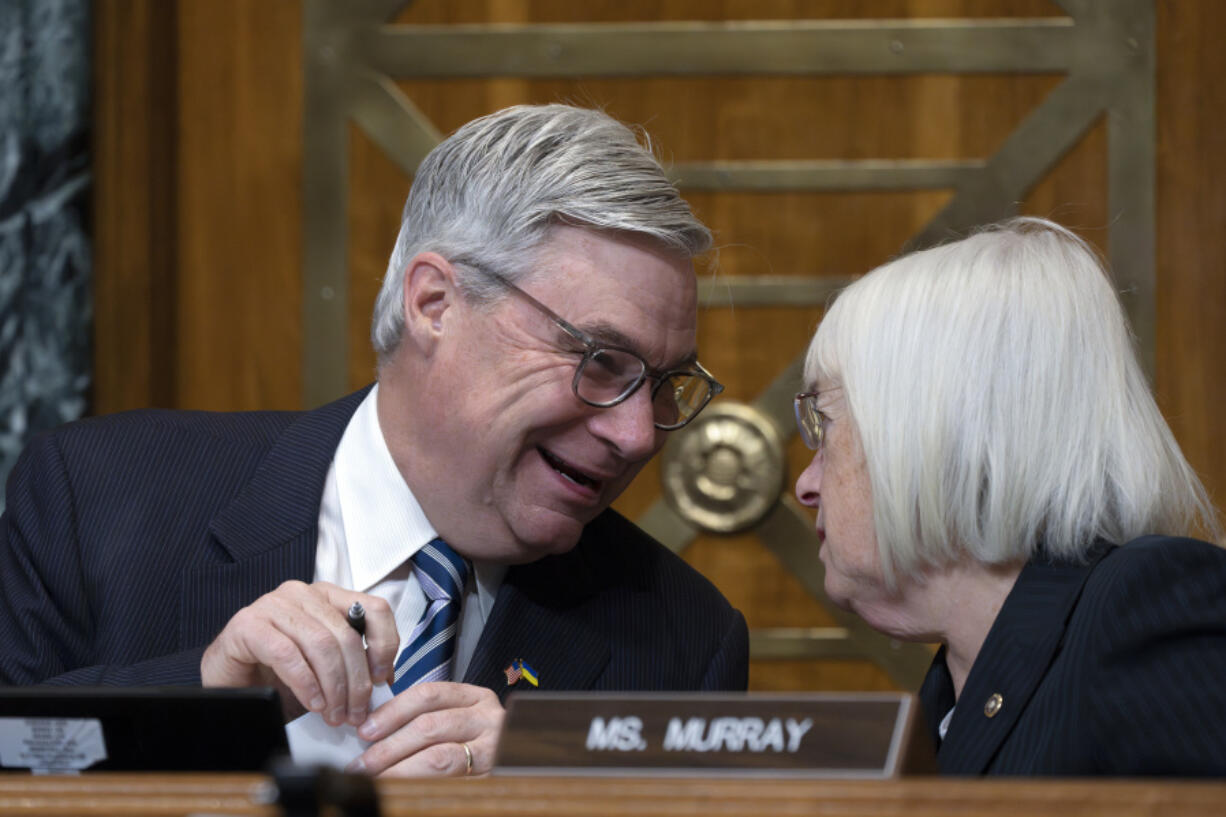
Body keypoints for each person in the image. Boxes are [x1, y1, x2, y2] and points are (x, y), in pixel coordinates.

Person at [0, 104, 748, 776]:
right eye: (600, 361)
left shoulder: (683, 639)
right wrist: (204, 695)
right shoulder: (95, 497)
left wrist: (550, 792)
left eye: (660, 383)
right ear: (434, 304)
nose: (637, 432)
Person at [793, 217, 1226, 776]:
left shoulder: (1144, 608)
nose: (805, 485)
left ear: (936, 440)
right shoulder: (952, 684)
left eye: (823, 428)